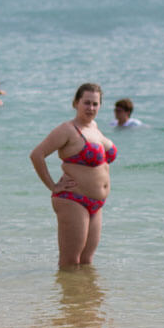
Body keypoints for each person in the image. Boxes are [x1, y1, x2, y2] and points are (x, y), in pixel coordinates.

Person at [29, 83, 116, 269]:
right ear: (76, 103)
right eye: (86, 103)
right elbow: (37, 155)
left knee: (86, 261)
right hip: (73, 200)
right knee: (70, 262)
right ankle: (67, 298)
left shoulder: (94, 127)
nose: (91, 108)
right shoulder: (67, 130)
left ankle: (85, 298)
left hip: (96, 204)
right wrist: (52, 186)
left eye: (95, 104)